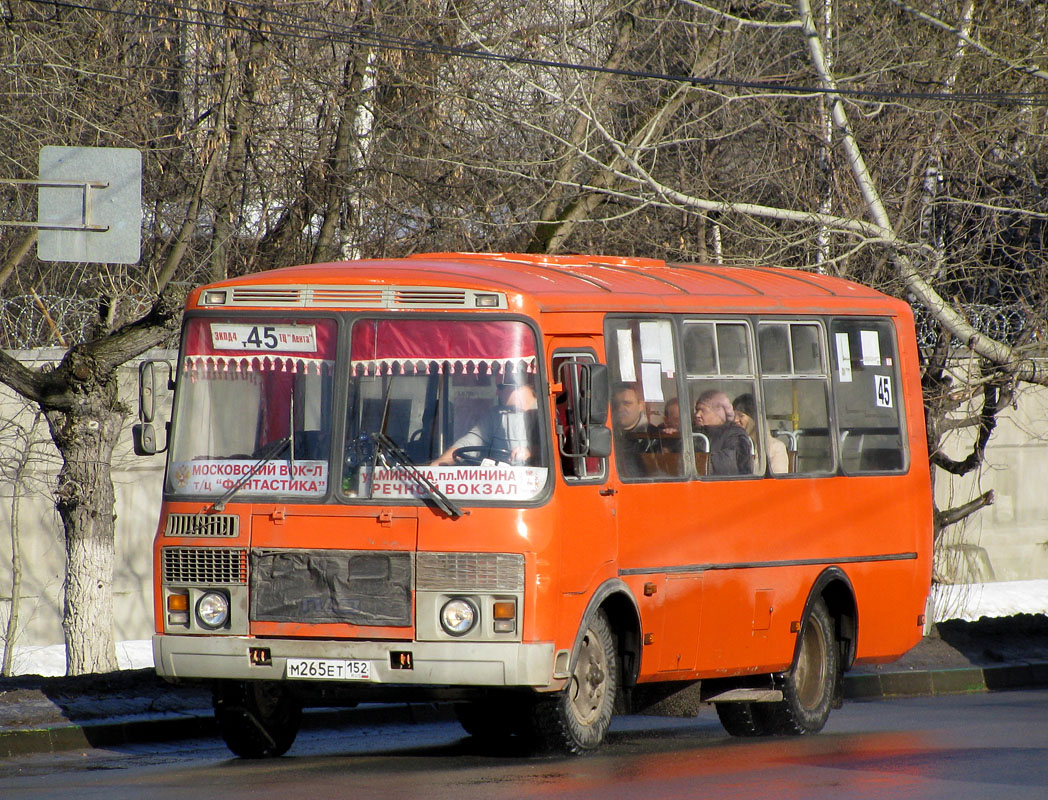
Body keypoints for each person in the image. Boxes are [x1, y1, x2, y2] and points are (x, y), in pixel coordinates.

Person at [431, 372, 539, 465]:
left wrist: (531, 452)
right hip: (501, 483)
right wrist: (439, 464)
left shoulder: (547, 412)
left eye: (500, 387)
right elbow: (469, 443)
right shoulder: (496, 415)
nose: (497, 392)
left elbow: (553, 451)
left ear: (518, 384)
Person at [693, 388, 752, 475]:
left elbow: (727, 468)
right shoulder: (696, 433)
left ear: (718, 413)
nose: (697, 415)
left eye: (703, 410)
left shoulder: (735, 435)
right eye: (697, 410)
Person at [733, 393, 789, 474]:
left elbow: (777, 483)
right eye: (734, 416)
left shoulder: (775, 448)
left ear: (755, 419)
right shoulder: (732, 444)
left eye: (741, 416)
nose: (735, 420)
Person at [611, 383, 660, 476]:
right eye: (616, 404)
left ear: (641, 406)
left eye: (627, 403)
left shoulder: (656, 437)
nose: (620, 409)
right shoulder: (608, 434)